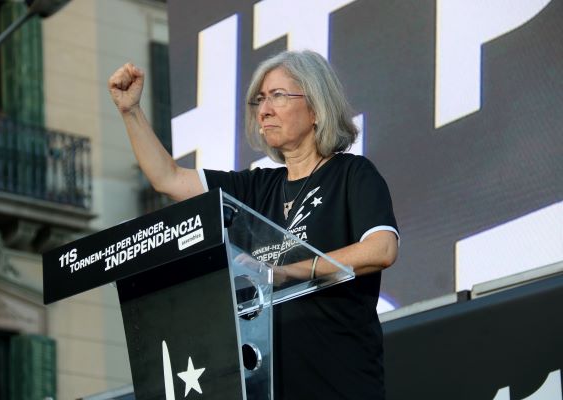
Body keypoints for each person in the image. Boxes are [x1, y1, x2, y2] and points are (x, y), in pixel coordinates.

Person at [108, 50, 399, 400]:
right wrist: (130, 111)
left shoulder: (353, 174)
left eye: (278, 96)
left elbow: (382, 248)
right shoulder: (255, 188)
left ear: (317, 108)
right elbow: (168, 178)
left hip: (339, 382)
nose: (264, 110)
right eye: (260, 100)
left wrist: (286, 272)